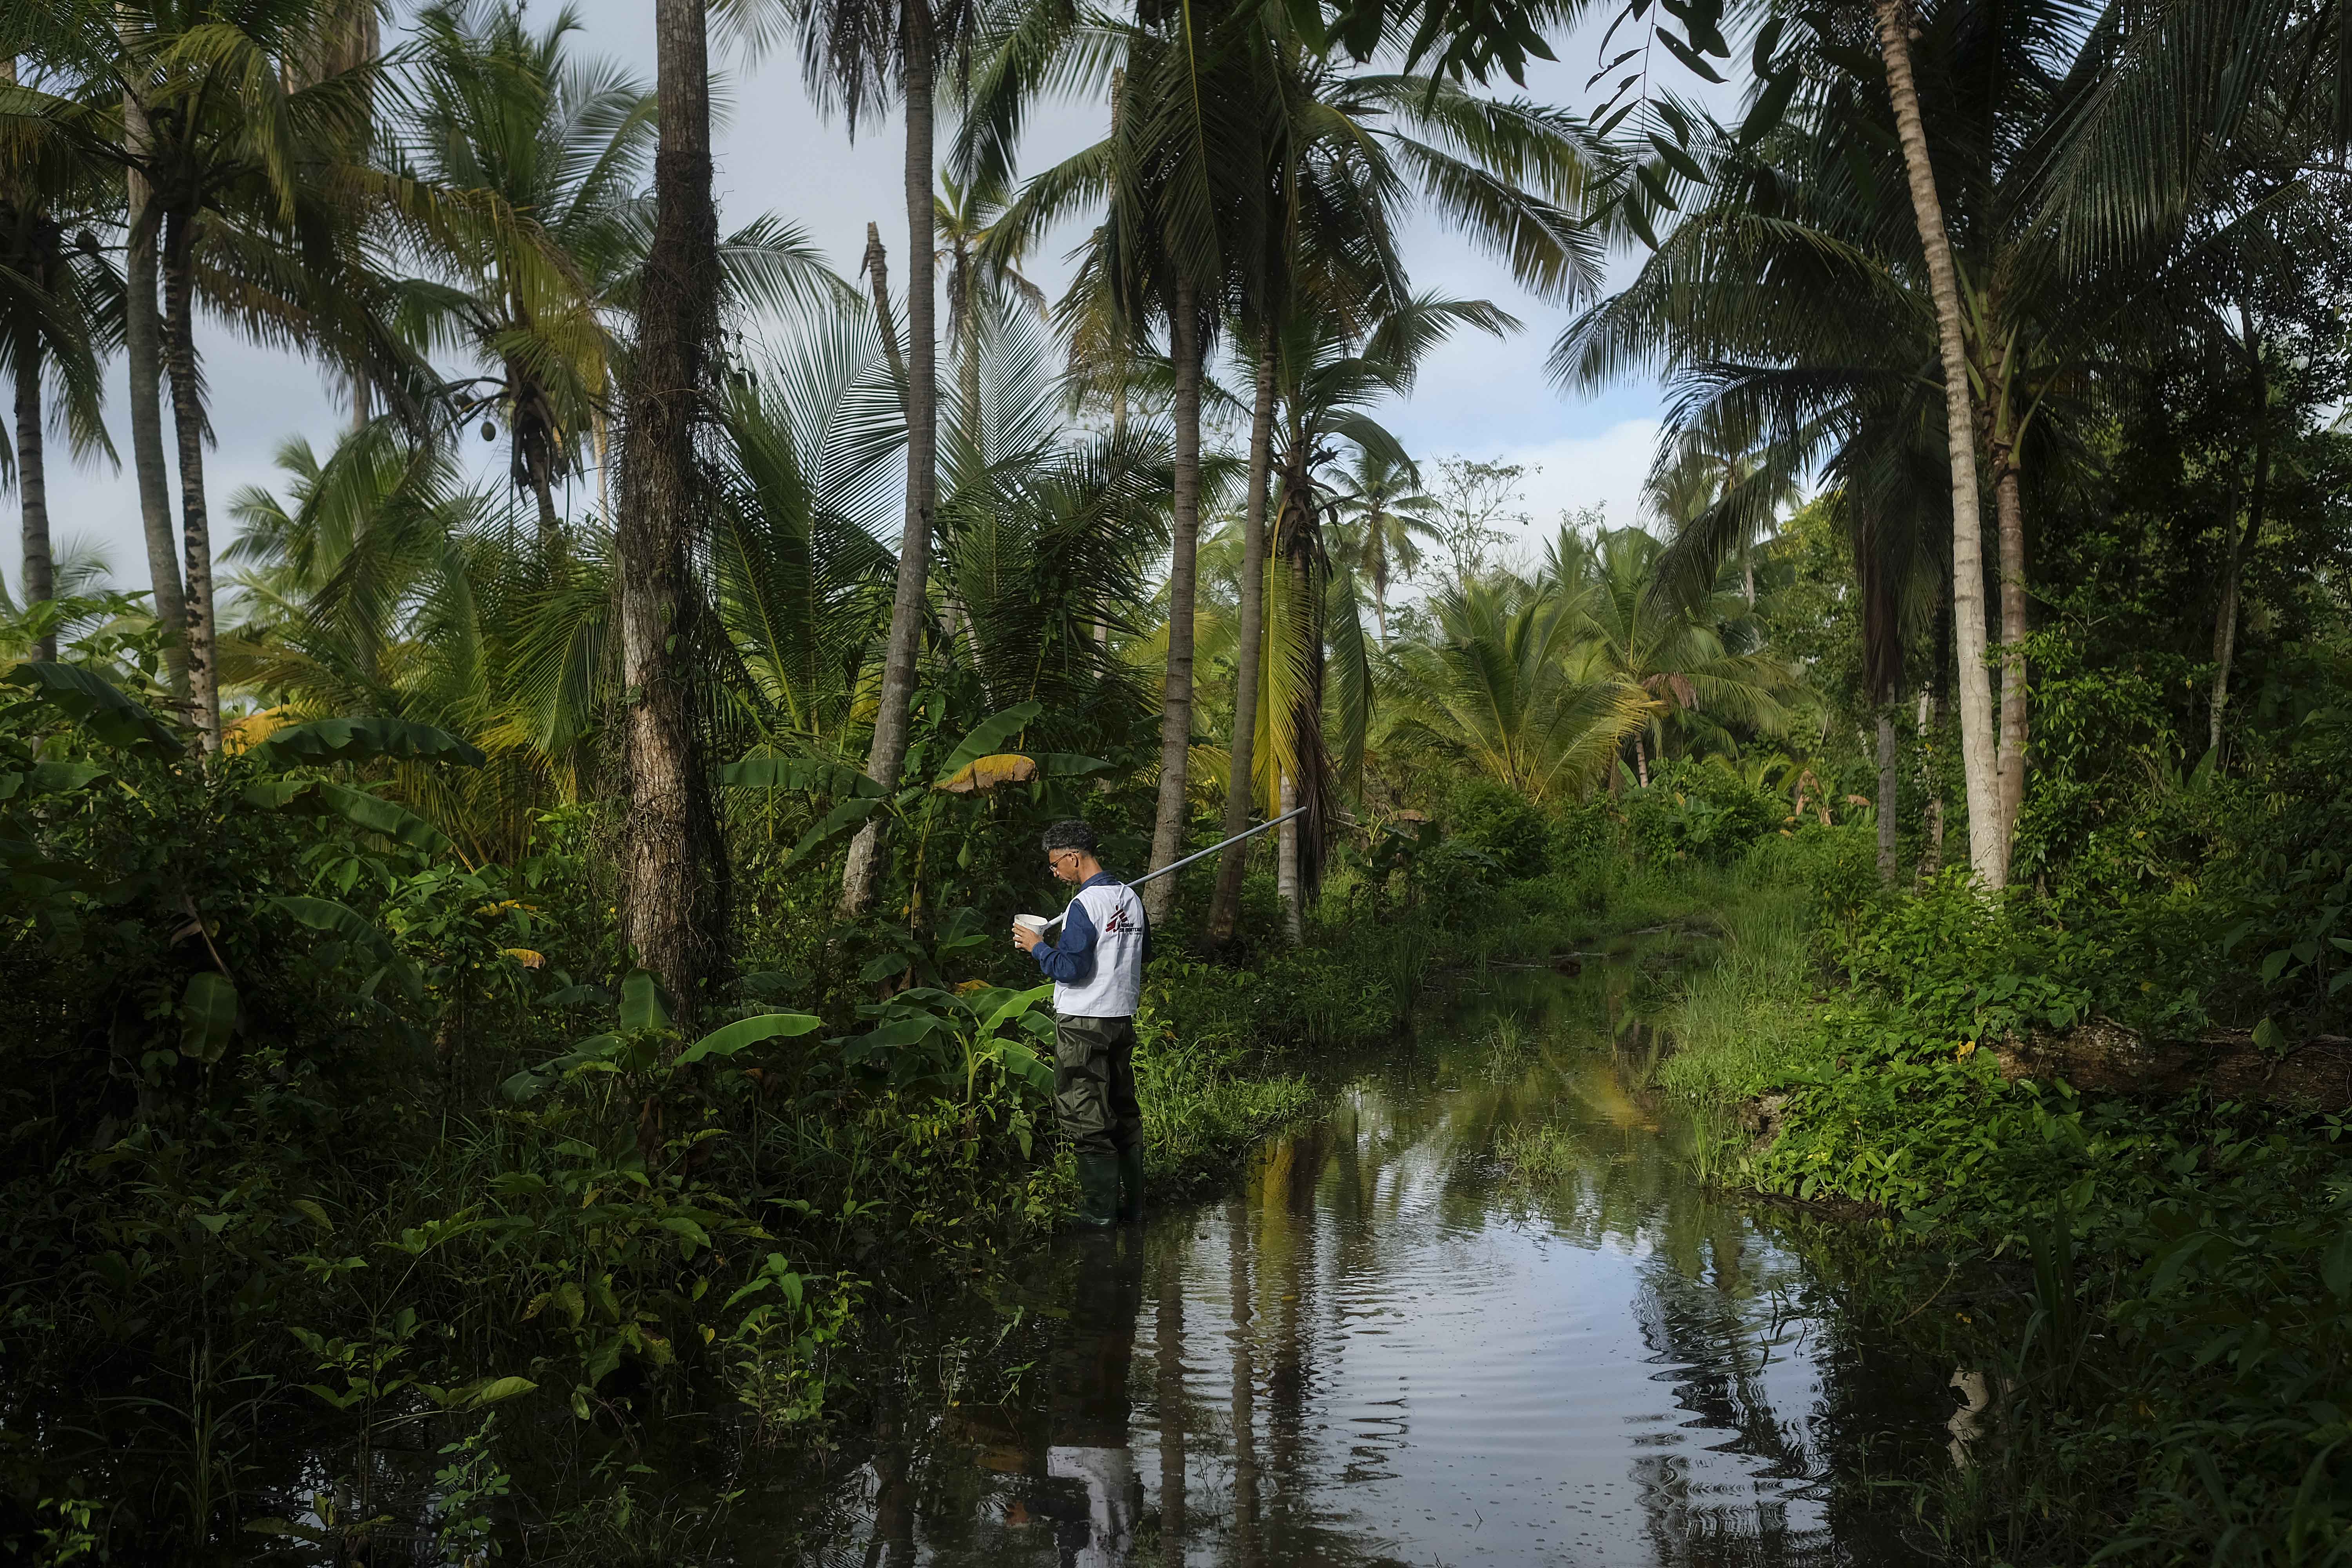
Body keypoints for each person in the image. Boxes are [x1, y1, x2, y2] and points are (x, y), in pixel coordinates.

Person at [1013, 819, 1149, 1229]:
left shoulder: (1083, 906)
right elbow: (1146, 953)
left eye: (1056, 865)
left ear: (1074, 857)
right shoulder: (1130, 898)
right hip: (1121, 1019)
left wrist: (1037, 948)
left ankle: (1098, 1216)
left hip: (1084, 1023)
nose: (1055, 872)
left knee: (1086, 1115)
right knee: (1123, 1112)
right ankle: (1135, 1209)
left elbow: (1070, 968)